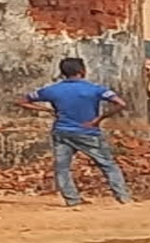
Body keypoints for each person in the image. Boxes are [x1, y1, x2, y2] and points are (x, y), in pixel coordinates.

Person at [17, 57, 133, 206]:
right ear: (82, 71)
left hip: (62, 132)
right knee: (108, 165)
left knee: (62, 168)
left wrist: (47, 109)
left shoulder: (52, 90)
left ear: (62, 73)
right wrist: (99, 119)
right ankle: (123, 198)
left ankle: (72, 200)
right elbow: (120, 103)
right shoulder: (96, 89)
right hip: (88, 132)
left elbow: (22, 101)